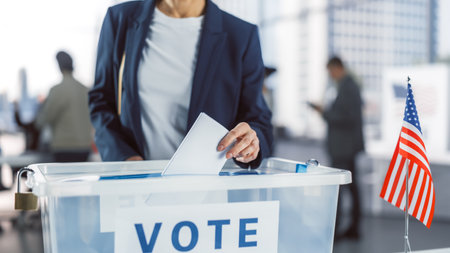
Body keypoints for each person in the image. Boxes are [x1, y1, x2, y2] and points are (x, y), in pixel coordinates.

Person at [89, 0, 273, 168]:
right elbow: (101, 102)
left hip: (206, 189)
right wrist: (125, 158)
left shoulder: (241, 36)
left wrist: (251, 142)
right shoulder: (120, 20)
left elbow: (258, 121)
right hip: (132, 182)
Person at [309, 56, 364, 239]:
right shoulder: (346, 86)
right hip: (344, 146)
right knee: (351, 186)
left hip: (344, 147)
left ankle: (340, 228)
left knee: (343, 187)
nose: (330, 76)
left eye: (331, 71)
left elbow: (347, 118)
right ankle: (350, 227)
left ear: (338, 67)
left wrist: (324, 112)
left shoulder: (349, 87)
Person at [35, 51, 92, 162]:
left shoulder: (57, 90)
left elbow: (45, 119)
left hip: (64, 148)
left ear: (59, 66)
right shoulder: (85, 90)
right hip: (84, 147)